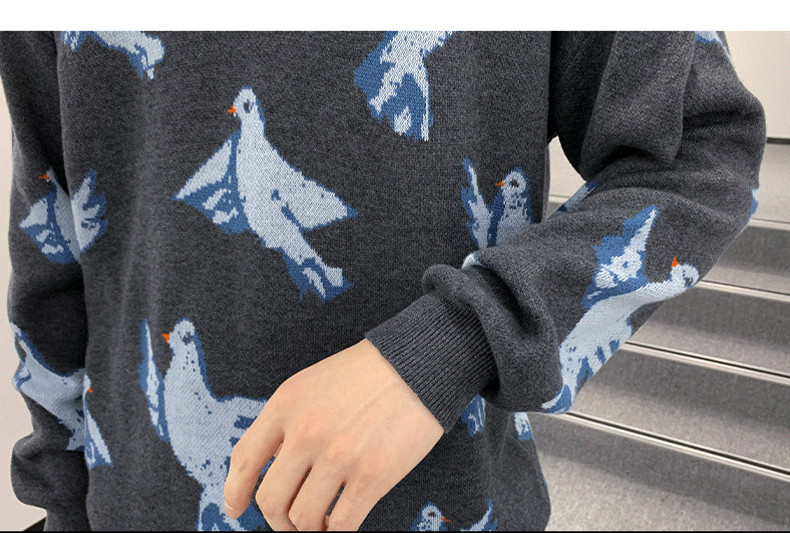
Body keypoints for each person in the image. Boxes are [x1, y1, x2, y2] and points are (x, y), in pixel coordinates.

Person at [1, 31, 764, 531]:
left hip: (442, 504)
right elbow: (54, 224)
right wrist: (62, 504)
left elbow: (701, 151)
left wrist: (450, 345)